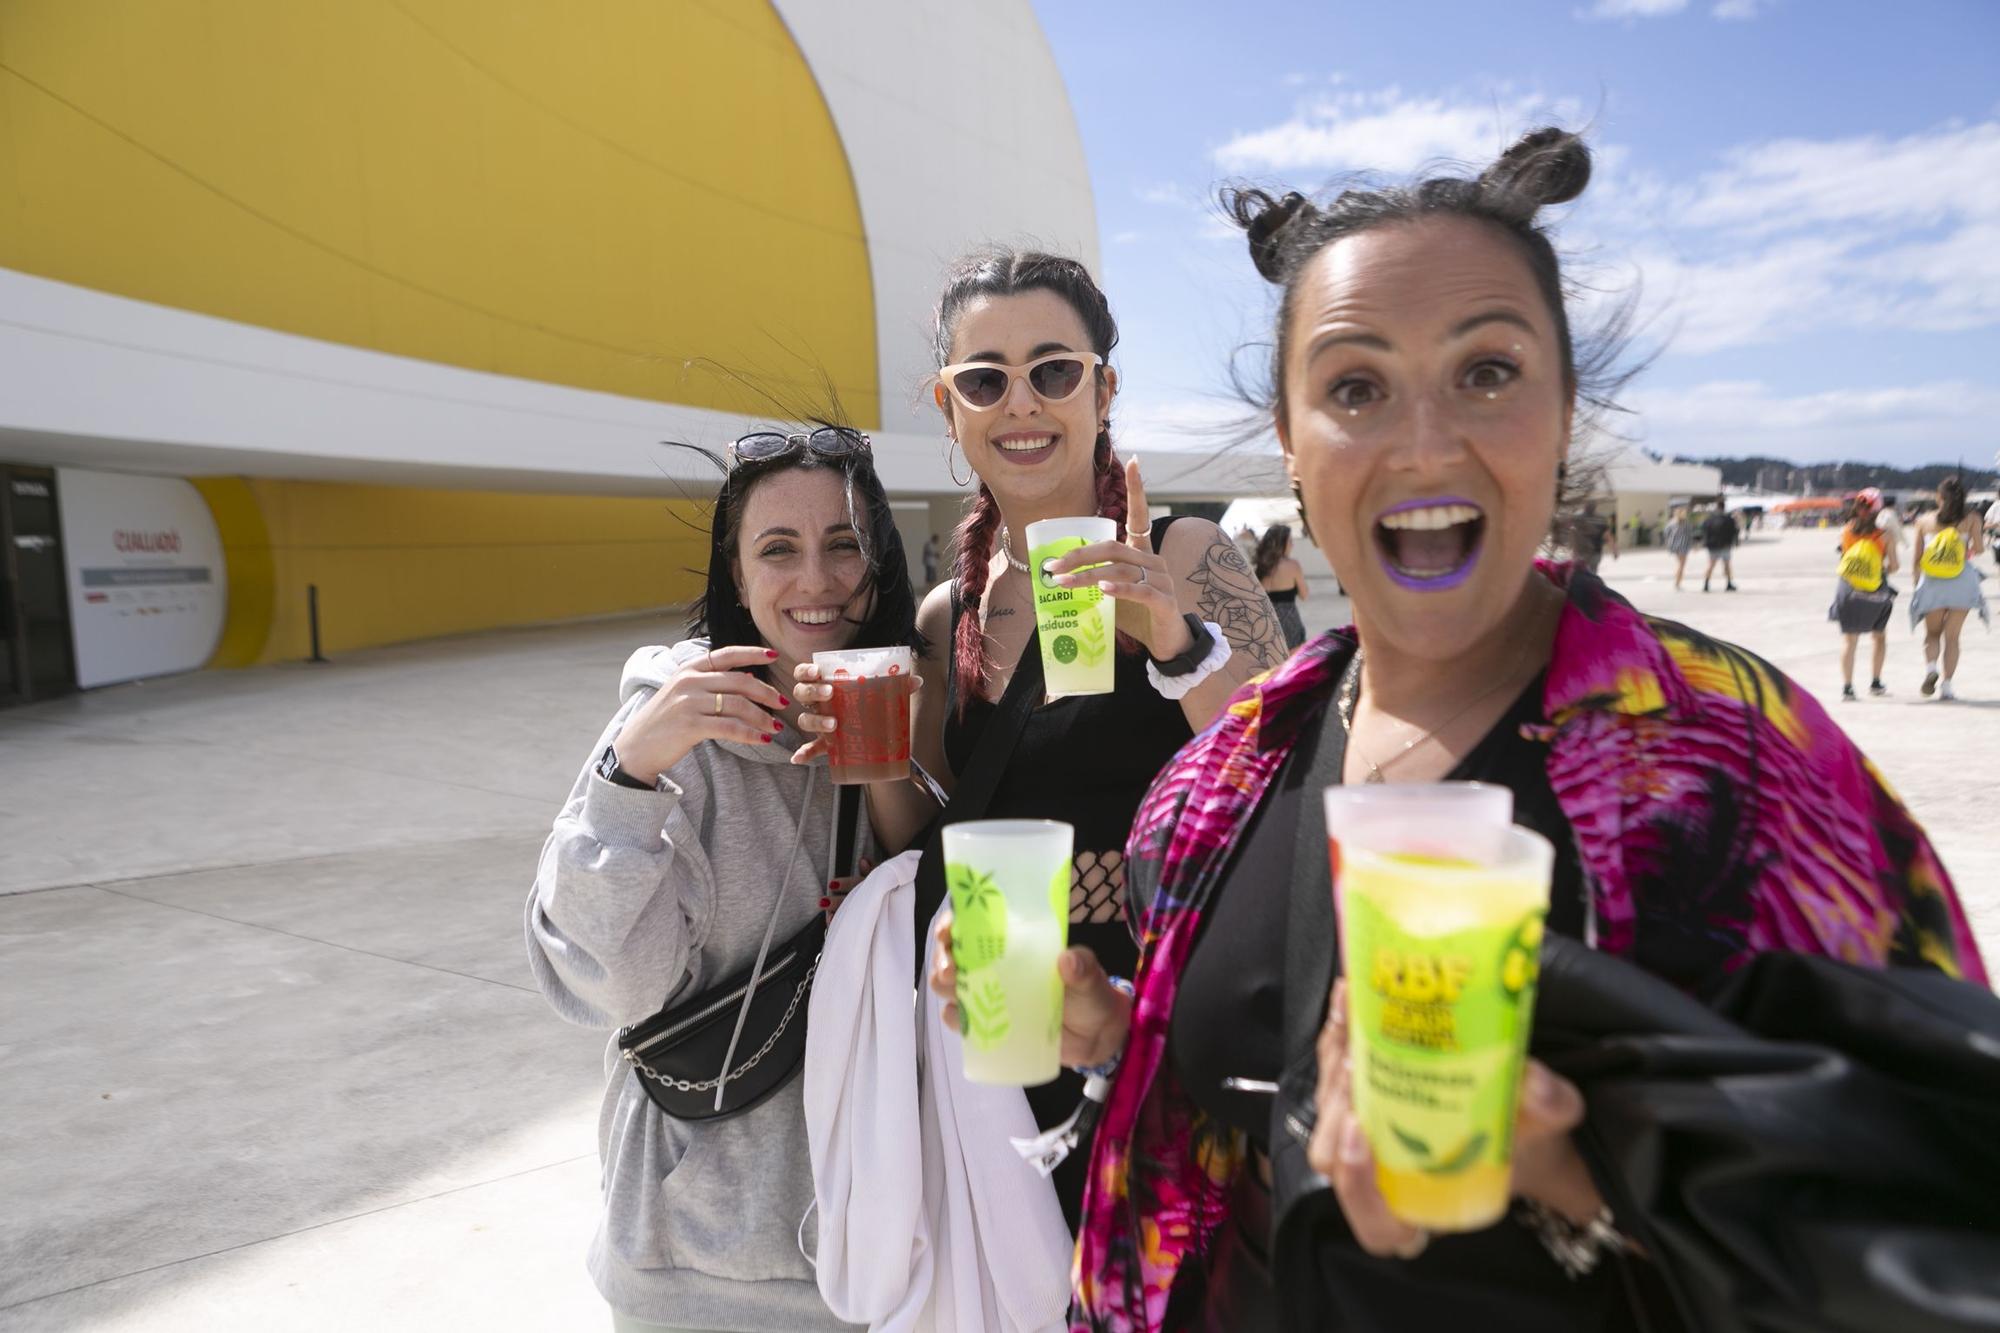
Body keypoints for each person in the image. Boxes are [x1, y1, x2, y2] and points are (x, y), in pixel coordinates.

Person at [994, 130, 1986, 1332]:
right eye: (1354, 387)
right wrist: (1113, 1037)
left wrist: (1581, 1174)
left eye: (1487, 373)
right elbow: (1200, 1138)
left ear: (1563, 412)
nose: (1422, 442)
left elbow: (1938, 1196)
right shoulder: (1215, 781)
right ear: (1291, 443)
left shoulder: (1733, 760)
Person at [884, 248, 1291, 1231]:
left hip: (1160, 1009)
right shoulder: (950, 613)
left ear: (1101, 387)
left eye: (1051, 370)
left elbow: (1281, 772)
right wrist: (876, 756)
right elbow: (936, 829)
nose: (1019, 402)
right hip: (1005, 1008)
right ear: (949, 408)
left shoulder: (1186, 556)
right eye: (985, 379)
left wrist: (1174, 638)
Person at [526, 425, 928, 1333]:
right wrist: (631, 775)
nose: (816, 580)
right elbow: (607, 985)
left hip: (872, 1257)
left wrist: (886, 767)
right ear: (739, 580)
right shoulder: (672, 729)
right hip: (695, 1270)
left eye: (844, 546)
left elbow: (934, 937)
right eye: (777, 550)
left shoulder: (913, 701)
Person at [1909, 475, 1989, 700]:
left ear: (1939, 497)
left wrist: (1917, 584)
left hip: (1933, 581)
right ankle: (1947, 685)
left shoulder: (1924, 521)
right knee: (1953, 637)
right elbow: (1980, 549)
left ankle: (1931, 669)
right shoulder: (1972, 518)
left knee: (1932, 634)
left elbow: (1917, 558)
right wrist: (1966, 550)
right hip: (1961, 580)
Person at [1831, 489, 1898, 700]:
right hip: (1875, 587)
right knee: (1879, 636)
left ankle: (1848, 688)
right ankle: (1876, 682)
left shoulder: (1847, 530)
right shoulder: (1884, 534)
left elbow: (1844, 558)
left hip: (1849, 587)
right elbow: (1894, 566)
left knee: (1849, 640)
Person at [1254, 523, 1311, 650]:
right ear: (1281, 543)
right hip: (1289, 621)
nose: (1292, 544)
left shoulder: (1260, 566)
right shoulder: (1293, 565)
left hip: (1266, 621)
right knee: (1292, 664)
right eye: (1290, 541)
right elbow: (1304, 595)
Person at [1568, 501, 1616, 573]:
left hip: (1582, 551)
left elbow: (1573, 533)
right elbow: (1608, 536)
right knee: (1592, 572)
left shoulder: (1578, 518)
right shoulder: (1601, 519)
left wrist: (1572, 549)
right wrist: (1614, 550)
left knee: (1580, 573)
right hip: (1595, 551)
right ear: (1595, 508)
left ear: (1584, 507)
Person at [1699, 504, 1738, 591]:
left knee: (1711, 565)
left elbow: (1703, 531)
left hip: (1712, 546)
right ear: (1724, 508)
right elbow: (1734, 531)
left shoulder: (1709, 519)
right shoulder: (1728, 519)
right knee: (1727, 565)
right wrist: (1734, 543)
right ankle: (1728, 583)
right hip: (1725, 545)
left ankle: (1706, 584)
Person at [1663, 505, 1693, 590]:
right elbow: (1690, 535)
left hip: (1674, 546)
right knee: (1681, 565)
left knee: (1680, 564)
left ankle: (1677, 582)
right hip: (1683, 546)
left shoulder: (1671, 522)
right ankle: (1677, 583)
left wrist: (1669, 542)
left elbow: (1666, 533)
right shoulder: (1686, 523)